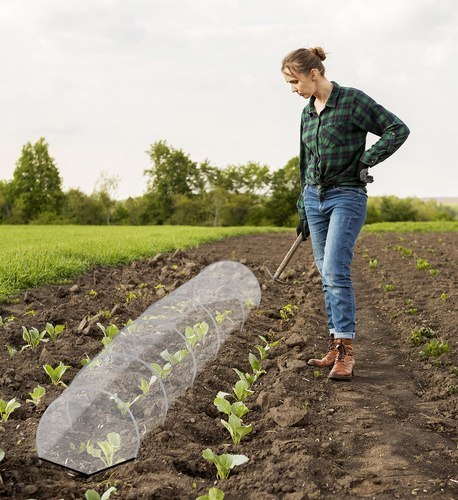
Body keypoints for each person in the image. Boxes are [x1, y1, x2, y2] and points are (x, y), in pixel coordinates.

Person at [281, 47, 410, 380]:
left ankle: (346, 352)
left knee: (335, 268)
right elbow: (306, 162)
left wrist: (365, 160)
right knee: (325, 273)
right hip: (314, 198)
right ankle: (335, 344)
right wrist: (302, 206)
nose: (294, 90)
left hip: (347, 196)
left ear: (314, 74)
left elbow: (397, 129)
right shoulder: (308, 113)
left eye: (295, 82)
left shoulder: (352, 100)